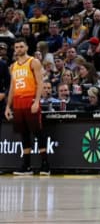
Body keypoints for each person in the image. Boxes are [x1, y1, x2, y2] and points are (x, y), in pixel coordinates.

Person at [4, 38, 47, 175]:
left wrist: (36, 101)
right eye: (16, 47)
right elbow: (12, 87)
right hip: (18, 102)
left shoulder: (33, 62)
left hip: (30, 99)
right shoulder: (13, 66)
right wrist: (8, 106)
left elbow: (40, 83)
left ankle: (45, 165)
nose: (19, 49)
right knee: (23, 134)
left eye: (21, 46)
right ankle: (26, 165)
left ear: (27, 48)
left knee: (38, 132)